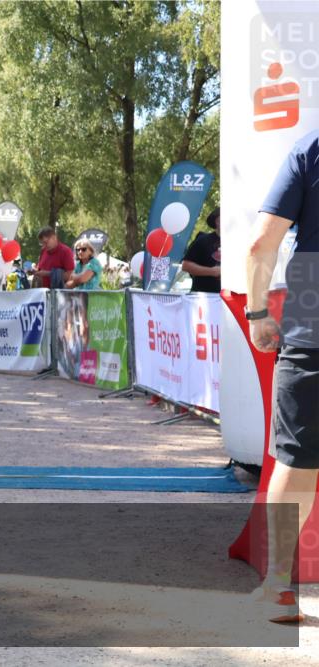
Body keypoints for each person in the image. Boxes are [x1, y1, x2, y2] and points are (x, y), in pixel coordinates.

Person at [245, 130, 318, 625]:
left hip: (313, 321)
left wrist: (255, 314)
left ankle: (278, 589)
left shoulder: (310, 146)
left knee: (297, 459)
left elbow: (262, 244)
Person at [182, 207, 221, 293]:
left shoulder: (237, 242)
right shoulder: (203, 240)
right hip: (204, 297)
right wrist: (212, 271)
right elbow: (186, 265)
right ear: (217, 221)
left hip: (231, 298)